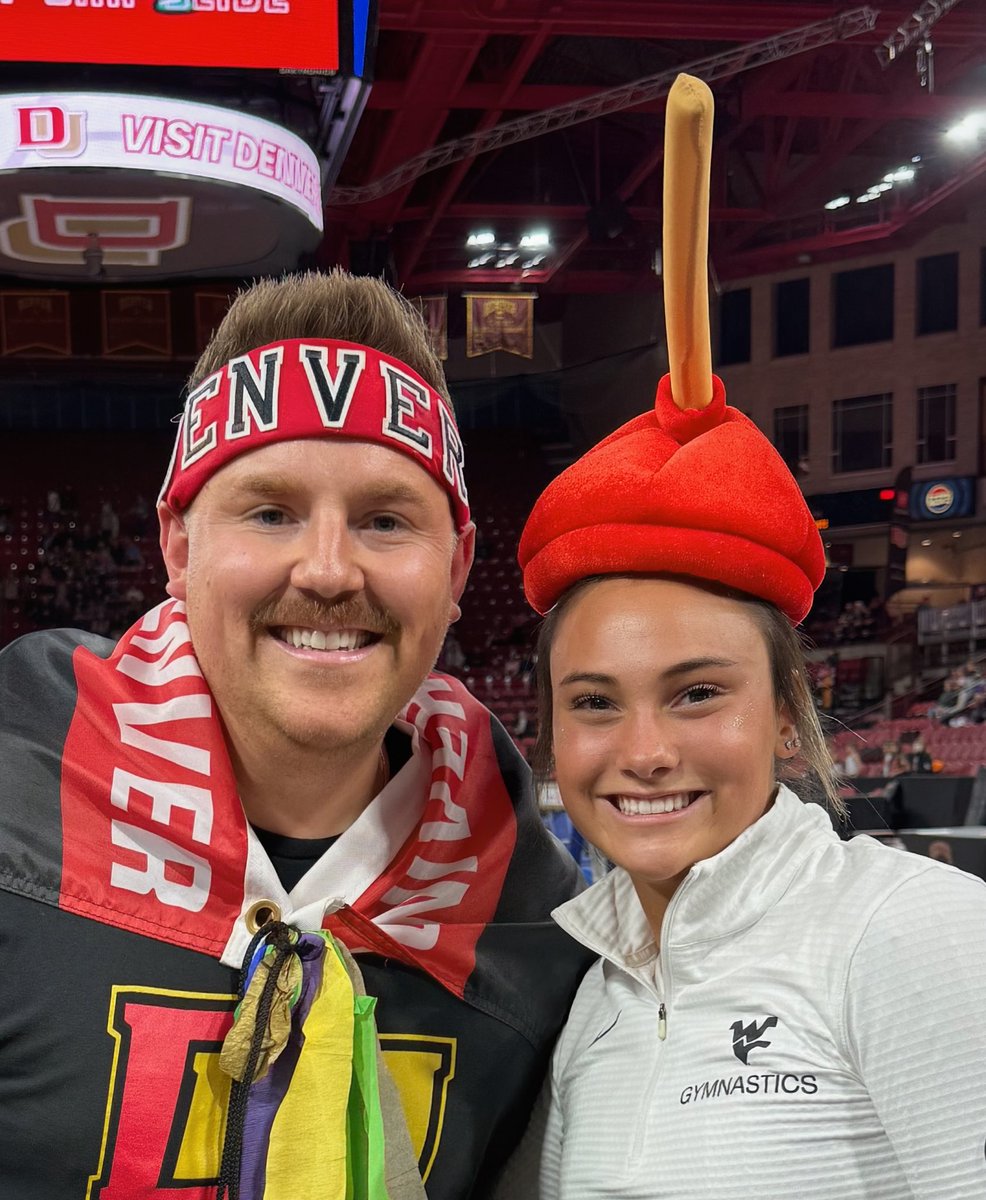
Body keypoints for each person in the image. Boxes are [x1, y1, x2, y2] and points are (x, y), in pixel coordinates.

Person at [495, 75, 986, 1200]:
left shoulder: (911, 934)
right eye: (594, 701)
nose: (643, 750)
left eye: (697, 692)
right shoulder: (594, 999)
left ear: (787, 719)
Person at [0, 270, 593, 1200]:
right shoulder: (18, 774)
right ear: (179, 547)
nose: (327, 570)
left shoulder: (535, 911)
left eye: (385, 521)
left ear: (457, 569)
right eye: (271, 512)